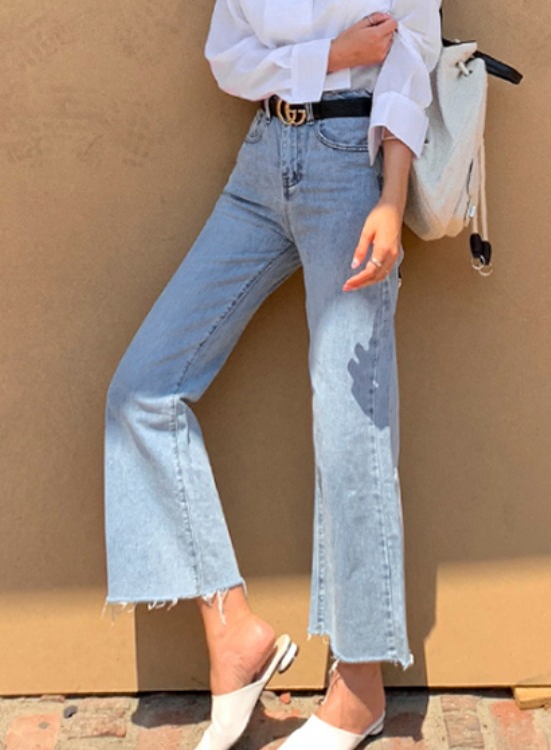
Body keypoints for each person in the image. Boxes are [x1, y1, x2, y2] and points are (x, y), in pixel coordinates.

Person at [102, 0, 442, 748]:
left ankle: (359, 687)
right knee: (143, 390)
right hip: (261, 161)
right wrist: (331, 55)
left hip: (352, 163)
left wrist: (391, 197)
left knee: (351, 424)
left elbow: (410, 56)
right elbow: (231, 58)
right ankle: (234, 635)